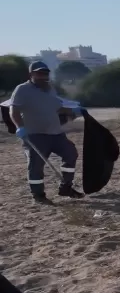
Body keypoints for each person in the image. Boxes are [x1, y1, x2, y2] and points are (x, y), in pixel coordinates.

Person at [9, 61, 85, 203]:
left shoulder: (50, 89)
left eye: (45, 73)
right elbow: (14, 110)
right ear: (31, 74)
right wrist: (20, 127)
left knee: (71, 154)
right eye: (39, 73)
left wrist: (74, 111)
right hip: (34, 134)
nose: (43, 76)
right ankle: (38, 196)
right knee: (36, 165)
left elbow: (57, 108)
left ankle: (66, 187)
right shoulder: (22, 89)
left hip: (56, 133)